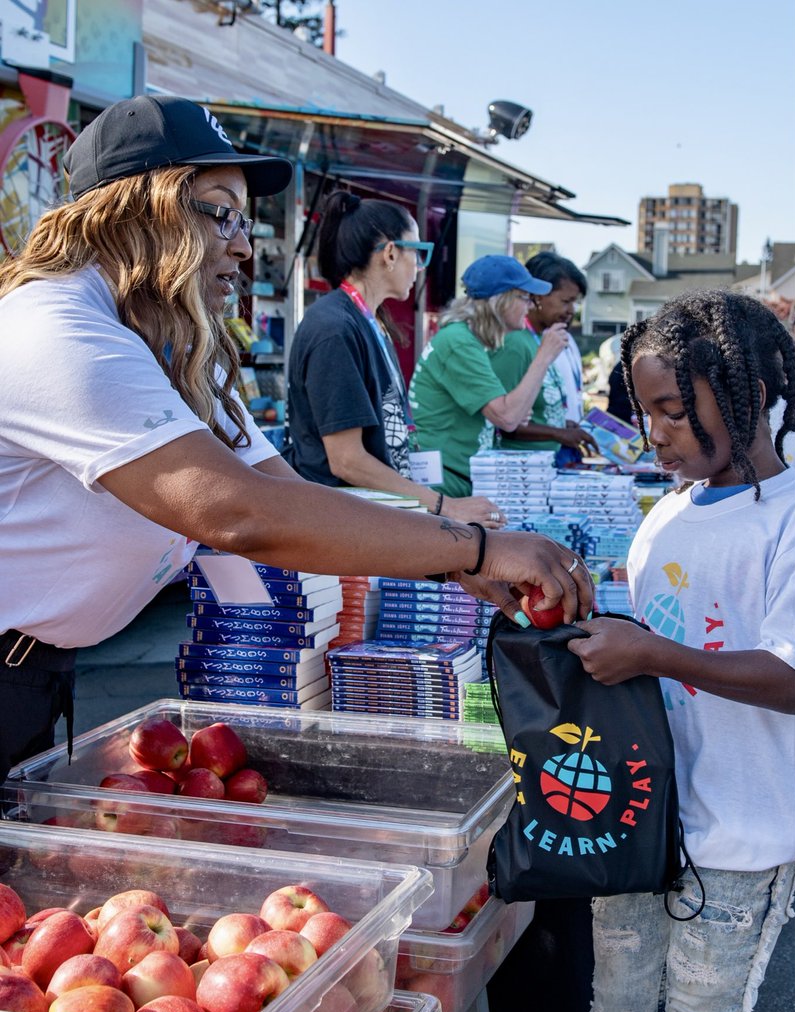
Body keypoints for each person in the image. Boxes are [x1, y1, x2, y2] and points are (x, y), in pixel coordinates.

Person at [0, 94, 595, 786]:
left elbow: (284, 490)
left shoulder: (169, 343)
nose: (244, 245)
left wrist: (451, 562)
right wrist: (478, 548)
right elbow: (239, 512)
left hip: (36, 672)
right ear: (134, 213)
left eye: (244, 220)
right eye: (219, 212)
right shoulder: (60, 332)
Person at [567, 289, 795, 1012]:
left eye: (674, 409)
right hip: (645, 825)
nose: (654, 434)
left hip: (745, 835)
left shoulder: (789, 517)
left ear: (752, 392)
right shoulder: (669, 510)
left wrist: (653, 651)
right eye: (644, 411)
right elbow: (652, 652)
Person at [282, 191, 503, 527]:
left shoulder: (368, 320)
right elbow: (347, 461)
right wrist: (445, 506)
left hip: (372, 515)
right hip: (340, 524)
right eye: (418, 252)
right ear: (390, 253)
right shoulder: (334, 329)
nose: (418, 266)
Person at [409, 255, 568, 497]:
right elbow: (507, 418)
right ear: (500, 301)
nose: (530, 306)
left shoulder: (468, 339)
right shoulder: (459, 342)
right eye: (525, 297)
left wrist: (514, 409)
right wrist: (543, 356)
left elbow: (506, 413)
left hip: (454, 475)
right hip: (445, 481)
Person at [490, 250, 599, 464]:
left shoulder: (556, 337)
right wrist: (557, 433)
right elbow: (502, 421)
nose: (572, 310)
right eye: (566, 301)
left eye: (575, 302)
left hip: (554, 457)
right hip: (524, 467)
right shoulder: (515, 343)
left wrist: (562, 426)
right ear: (538, 296)